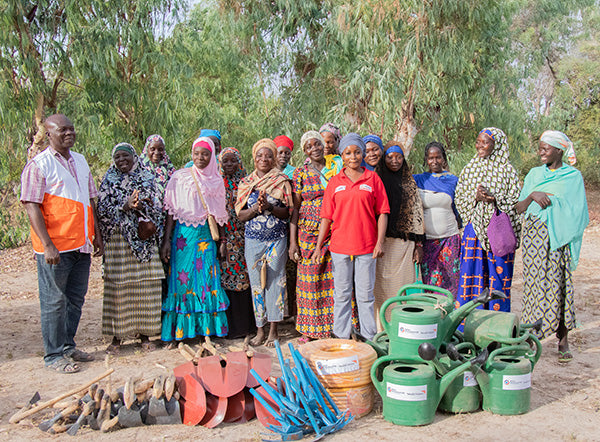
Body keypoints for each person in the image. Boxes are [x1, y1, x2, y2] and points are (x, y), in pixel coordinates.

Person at [21, 113, 103, 373]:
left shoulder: (80, 161)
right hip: (56, 247)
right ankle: (54, 355)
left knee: (75, 298)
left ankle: (68, 346)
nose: (69, 133)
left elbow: (91, 200)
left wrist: (97, 235)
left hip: (81, 243)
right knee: (54, 301)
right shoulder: (39, 164)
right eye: (62, 130)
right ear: (49, 134)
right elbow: (31, 205)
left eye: (72, 129)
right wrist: (47, 244)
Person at [517, 131, 588, 363]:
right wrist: (533, 196)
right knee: (533, 285)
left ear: (559, 150)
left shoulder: (572, 176)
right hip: (534, 237)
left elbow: (579, 212)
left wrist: (555, 202)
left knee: (559, 284)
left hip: (559, 238)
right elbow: (519, 208)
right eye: (540, 147)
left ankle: (563, 339)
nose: (541, 152)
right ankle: (529, 335)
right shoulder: (535, 174)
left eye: (545, 148)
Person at [312, 133, 389, 341]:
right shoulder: (335, 182)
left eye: (357, 152)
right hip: (340, 247)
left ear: (362, 154)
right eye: (348, 153)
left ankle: (369, 338)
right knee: (342, 294)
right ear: (342, 155)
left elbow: (382, 212)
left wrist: (380, 242)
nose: (353, 157)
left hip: (366, 246)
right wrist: (319, 246)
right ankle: (341, 335)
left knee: (365, 296)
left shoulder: (372, 179)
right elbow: (326, 218)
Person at [160, 137, 230, 342]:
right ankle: (182, 332)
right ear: (191, 154)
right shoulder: (180, 178)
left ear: (212, 156)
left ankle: (205, 331)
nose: (200, 158)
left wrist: (223, 242)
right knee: (182, 281)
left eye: (205, 154)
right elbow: (171, 213)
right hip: (183, 238)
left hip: (207, 236)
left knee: (207, 280)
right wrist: (166, 242)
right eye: (196, 153)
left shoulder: (217, 181)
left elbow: (220, 216)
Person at [98, 142, 164, 354]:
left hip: (143, 240)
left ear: (134, 157)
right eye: (117, 157)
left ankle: (145, 335)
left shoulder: (147, 178)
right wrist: (123, 206)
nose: (121, 160)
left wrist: (141, 205)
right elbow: (101, 209)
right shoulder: (108, 180)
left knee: (145, 287)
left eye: (125, 156)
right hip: (117, 241)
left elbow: (158, 205)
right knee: (118, 287)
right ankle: (117, 338)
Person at [455, 127, 521, 313]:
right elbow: (459, 198)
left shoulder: (507, 171)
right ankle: (467, 325)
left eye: (485, 142)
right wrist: (475, 197)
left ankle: (496, 327)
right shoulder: (470, 169)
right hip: (473, 230)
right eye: (478, 141)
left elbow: (516, 202)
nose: (480, 145)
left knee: (498, 278)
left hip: (498, 232)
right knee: (470, 275)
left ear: (496, 144)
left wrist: (495, 199)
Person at [236, 139, 293, 346]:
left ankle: (274, 330)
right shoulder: (245, 183)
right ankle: (260, 330)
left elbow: (287, 212)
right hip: (253, 241)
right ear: (254, 157)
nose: (264, 159)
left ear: (274, 158)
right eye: (260, 155)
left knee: (276, 283)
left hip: (277, 239)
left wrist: (269, 206)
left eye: (269, 155)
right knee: (257, 285)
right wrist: (256, 209)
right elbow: (240, 215)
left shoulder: (282, 181)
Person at [290, 131, 344, 342]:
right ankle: (309, 331)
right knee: (309, 281)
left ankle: (335, 327)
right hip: (307, 233)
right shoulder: (300, 173)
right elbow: (295, 209)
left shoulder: (336, 168)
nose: (315, 148)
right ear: (304, 151)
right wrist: (293, 242)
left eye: (318, 144)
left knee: (334, 281)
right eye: (309, 146)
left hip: (335, 230)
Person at [374, 141, 425, 330]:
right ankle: (381, 329)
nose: (394, 161)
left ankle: (401, 327)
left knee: (402, 289)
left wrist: (419, 245)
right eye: (389, 157)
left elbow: (417, 215)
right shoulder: (377, 179)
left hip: (404, 245)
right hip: (381, 243)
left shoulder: (409, 182)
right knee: (381, 289)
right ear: (383, 158)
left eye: (399, 157)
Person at [413, 141, 462, 297]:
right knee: (430, 284)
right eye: (430, 158)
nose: (434, 161)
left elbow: (459, 207)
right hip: (427, 242)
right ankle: (435, 318)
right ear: (426, 159)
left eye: (438, 157)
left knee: (452, 282)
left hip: (449, 239)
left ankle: (451, 318)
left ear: (444, 158)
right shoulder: (419, 180)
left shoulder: (453, 181)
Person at [219, 147, 256, 339]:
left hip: (246, 236)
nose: (229, 165)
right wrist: (223, 240)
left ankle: (248, 326)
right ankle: (232, 328)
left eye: (233, 161)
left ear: (239, 162)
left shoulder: (247, 182)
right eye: (225, 161)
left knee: (246, 280)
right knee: (228, 281)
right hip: (226, 238)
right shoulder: (217, 183)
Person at [139, 134, 176, 301]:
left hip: (164, 230)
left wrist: (167, 238)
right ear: (146, 149)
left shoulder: (171, 172)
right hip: (142, 230)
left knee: (164, 271)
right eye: (152, 149)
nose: (156, 152)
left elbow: (172, 207)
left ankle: (163, 318)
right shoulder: (137, 170)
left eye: (160, 149)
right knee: (145, 273)